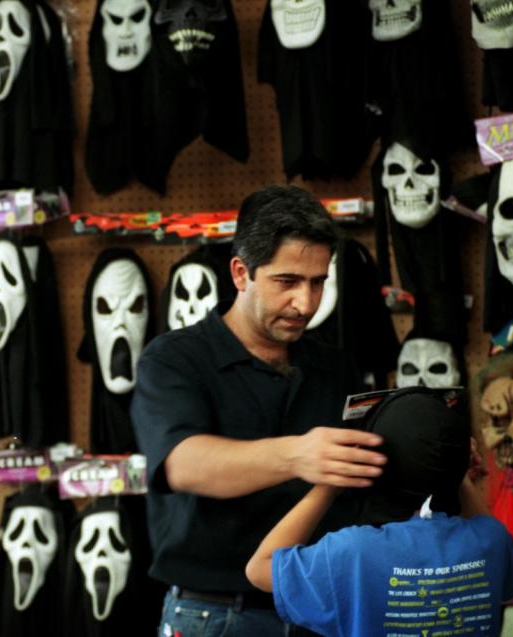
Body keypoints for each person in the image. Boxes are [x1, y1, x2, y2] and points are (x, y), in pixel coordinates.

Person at [131, 185, 388, 636]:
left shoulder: (334, 364)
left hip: (321, 609)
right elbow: (183, 464)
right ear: (240, 273)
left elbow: (358, 471)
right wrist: (298, 455)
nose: (305, 304)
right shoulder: (173, 360)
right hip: (214, 614)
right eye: (287, 282)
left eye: (318, 282)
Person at [246, 389, 513, 637]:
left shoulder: (353, 553)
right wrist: (458, 475)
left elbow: (259, 569)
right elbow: (493, 545)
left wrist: (328, 486)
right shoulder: (491, 541)